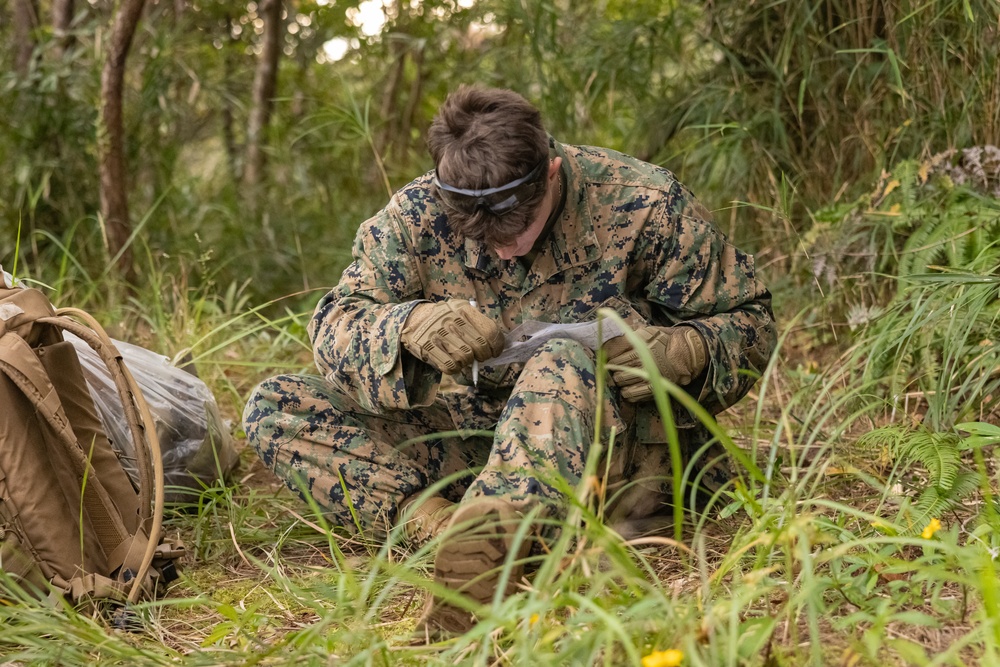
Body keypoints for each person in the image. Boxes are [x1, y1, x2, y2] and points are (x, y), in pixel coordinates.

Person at [243, 86, 777, 635]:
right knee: (277, 405)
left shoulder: (641, 203)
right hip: (489, 434)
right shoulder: (412, 219)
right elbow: (335, 324)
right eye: (480, 236)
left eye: (517, 228)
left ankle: (503, 553)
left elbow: (752, 320)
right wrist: (405, 326)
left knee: (560, 359)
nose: (501, 250)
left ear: (549, 173)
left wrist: (682, 352)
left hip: (623, 449)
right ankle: (455, 533)